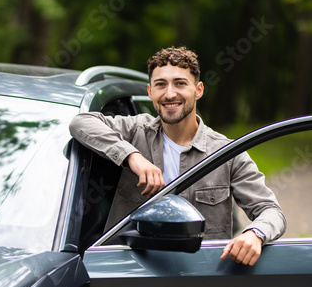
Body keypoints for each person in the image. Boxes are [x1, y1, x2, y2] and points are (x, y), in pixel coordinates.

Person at [69, 46, 286, 266]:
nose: (170, 93)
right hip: (127, 273)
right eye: (160, 84)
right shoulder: (135, 131)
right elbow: (81, 123)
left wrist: (255, 233)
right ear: (150, 91)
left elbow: (271, 211)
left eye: (180, 83)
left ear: (198, 90)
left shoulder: (228, 153)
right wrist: (132, 156)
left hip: (199, 277)